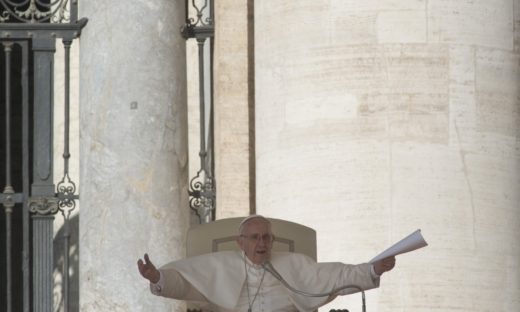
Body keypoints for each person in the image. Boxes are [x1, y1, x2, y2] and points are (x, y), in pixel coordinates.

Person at [138, 215, 396, 312]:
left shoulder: (293, 264)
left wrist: (373, 268)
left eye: (266, 237)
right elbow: (184, 282)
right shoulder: (218, 265)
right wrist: (156, 277)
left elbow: (337, 275)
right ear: (240, 242)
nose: (262, 243)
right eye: (254, 237)